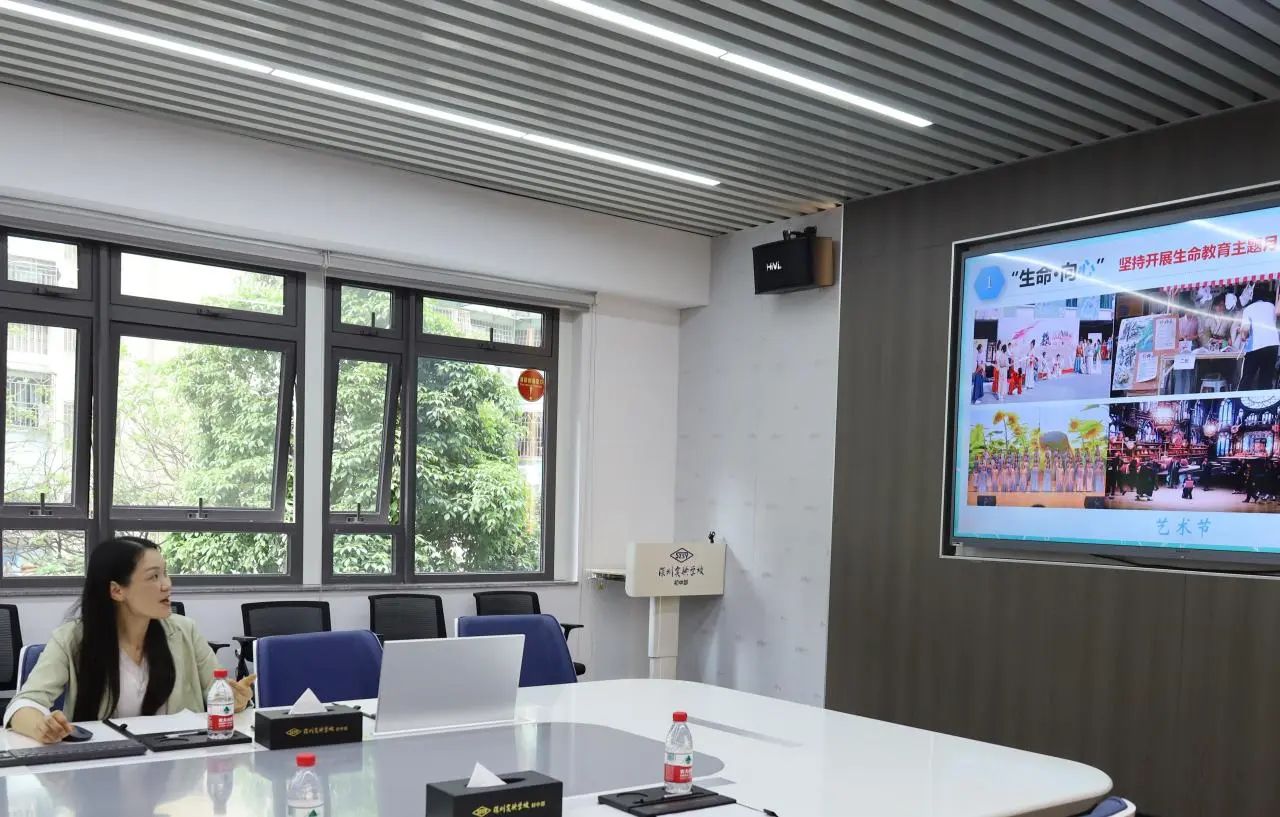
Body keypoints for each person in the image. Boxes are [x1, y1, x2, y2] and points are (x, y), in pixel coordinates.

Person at [3, 537, 255, 743]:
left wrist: (237, 700)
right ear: (116, 590)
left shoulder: (185, 632)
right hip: (101, 765)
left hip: (178, 765)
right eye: (154, 577)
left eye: (165, 574)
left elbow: (219, 695)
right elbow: (24, 704)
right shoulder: (71, 638)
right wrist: (41, 726)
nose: (167, 585)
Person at [1238, 281, 1280, 391]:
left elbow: (1245, 332)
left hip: (1256, 346)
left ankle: (1240, 400)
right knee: (1266, 378)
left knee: (1248, 376)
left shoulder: (1248, 309)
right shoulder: (1271, 306)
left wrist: (1242, 335)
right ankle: (1264, 401)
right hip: (1273, 345)